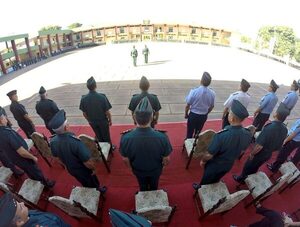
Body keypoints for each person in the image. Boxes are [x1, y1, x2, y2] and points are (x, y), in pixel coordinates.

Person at [192, 100, 252, 188]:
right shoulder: (248, 133)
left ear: (232, 118)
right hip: (228, 164)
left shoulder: (222, 135)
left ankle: (201, 188)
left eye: (229, 113)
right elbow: (243, 150)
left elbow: (209, 154)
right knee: (217, 178)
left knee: (206, 179)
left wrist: (203, 161)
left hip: (215, 165)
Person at [120, 97, 172, 191]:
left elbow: (125, 160)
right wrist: (161, 167)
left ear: (134, 117)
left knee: (142, 185)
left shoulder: (125, 138)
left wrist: (131, 168)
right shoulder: (162, 137)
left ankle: (143, 192)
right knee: (154, 186)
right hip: (155, 170)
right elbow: (167, 159)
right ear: (152, 117)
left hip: (138, 170)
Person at [49, 109, 106, 192]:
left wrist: (66, 165)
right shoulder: (75, 142)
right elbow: (88, 162)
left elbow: (56, 158)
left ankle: (90, 189)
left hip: (71, 169)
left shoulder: (53, 141)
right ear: (66, 127)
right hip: (83, 170)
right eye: (67, 123)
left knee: (83, 181)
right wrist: (93, 169)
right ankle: (97, 191)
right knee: (92, 182)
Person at [233, 103, 289, 183]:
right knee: (256, 167)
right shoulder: (285, 129)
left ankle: (242, 179)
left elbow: (259, 146)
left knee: (248, 165)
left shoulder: (269, 127)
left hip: (259, 153)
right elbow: (279, 146)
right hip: (268, 154)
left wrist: (252, 154)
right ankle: (250, 177)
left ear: (277, 114)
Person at [0, 108, 55, 188]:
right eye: (4, 116)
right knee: (35, 171)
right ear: (1, 120)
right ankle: (46, 185)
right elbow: (21, 152)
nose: (6, 117)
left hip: (14, 158)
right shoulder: (7, 133)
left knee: (29, 172)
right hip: (22, 158)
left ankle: (37, 183)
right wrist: (32, 157)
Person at [0, 192, 70, 227]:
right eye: (21, 208)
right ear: (19, 222)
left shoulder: (26, 216)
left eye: (19, 203)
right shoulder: (47, 224)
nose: (22, 203)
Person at [80, 76, 114, 148]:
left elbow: (84, 113)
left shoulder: (83, 99)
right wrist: (110, 120)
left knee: (98, 136)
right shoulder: (102, 97)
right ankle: (109, 150)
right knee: (106, 136)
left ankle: (103, 150)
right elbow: (107, 112)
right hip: (103, 121)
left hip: (92, 122)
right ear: (96, 86)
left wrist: (89, 120)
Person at [185, 72, 215, 138]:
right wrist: (206, 113)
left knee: (189, 132)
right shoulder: (212, 93)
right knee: (198, 132)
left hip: (193, 115)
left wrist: (186, 114)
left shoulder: (194, 91)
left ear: (201, 80)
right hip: (203, 116)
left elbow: (188, 105)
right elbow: (212, 106)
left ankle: (188, 145)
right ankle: (196, 145)